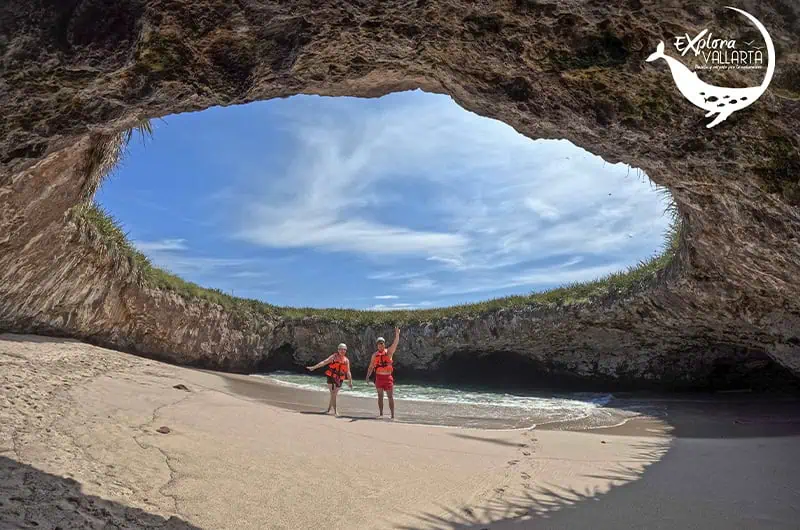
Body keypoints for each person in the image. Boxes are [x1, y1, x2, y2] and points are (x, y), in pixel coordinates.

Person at [306, 343, 352, 416]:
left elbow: (348, 371)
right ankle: (335, 411)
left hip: (339, 378)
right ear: (338, 350)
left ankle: (328, 409)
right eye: (341, 349)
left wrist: (350, 382)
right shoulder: (333, 357)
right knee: (333, 394)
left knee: (334, 394)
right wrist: (314, 367)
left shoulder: (346, 360)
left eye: (344, 349)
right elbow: (324, 362)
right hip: (331, 376)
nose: (342, 351)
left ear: (346, 351)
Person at [365, 327, 401, 419]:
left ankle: (392, 415)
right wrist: (367, 376)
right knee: (380, 396)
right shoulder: (374, 355)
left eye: (382, 343)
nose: (380, 345)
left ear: (384, 344)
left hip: (388, 378)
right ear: (377, 345)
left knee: (390, 397)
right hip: (379, 378)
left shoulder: (389, 352)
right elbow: (371, 367)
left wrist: (397, 334)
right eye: (379, 344)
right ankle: (381, 414)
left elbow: (395, 343)